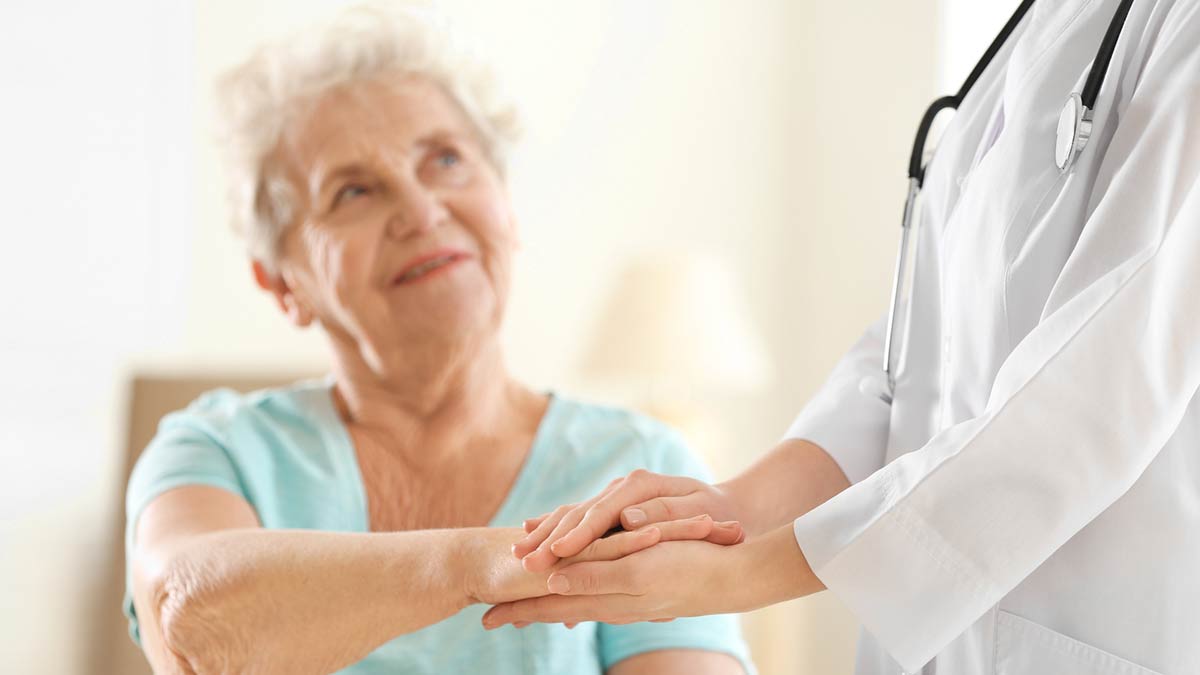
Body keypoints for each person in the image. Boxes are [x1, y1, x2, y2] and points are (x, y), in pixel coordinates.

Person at [488, 1, 1200, 673]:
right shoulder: (1034, 29)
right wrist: (735, 509)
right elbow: (914, 359)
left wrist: (741, 574)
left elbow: (1094, 389)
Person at [122, 5, 754, 674]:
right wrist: (483, 563)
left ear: (505, 204)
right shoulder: (218, 451)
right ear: (282, 280)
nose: (421, 210)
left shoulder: (637, 464)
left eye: (446, 159)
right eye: (355, 190)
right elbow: (193, 624)